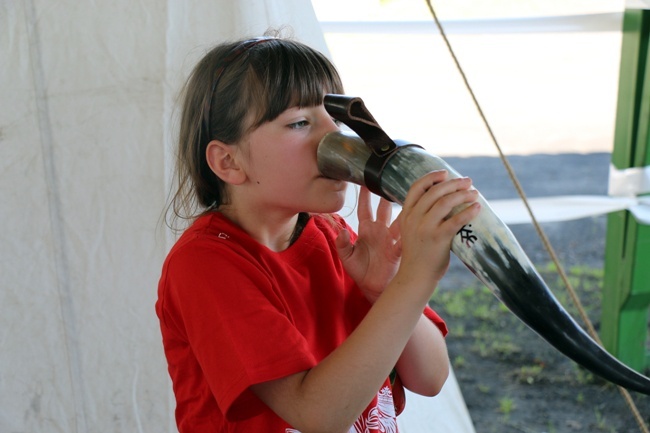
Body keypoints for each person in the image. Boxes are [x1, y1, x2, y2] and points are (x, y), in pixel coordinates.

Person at [155, 34, 481, 433]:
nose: (336, 140)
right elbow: (317, 415)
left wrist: (386, 290)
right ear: (229, 161)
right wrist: (416, 277)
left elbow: (430, 378)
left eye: (336, 120)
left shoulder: (335, 236)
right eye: (300, 123)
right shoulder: (206, 264)